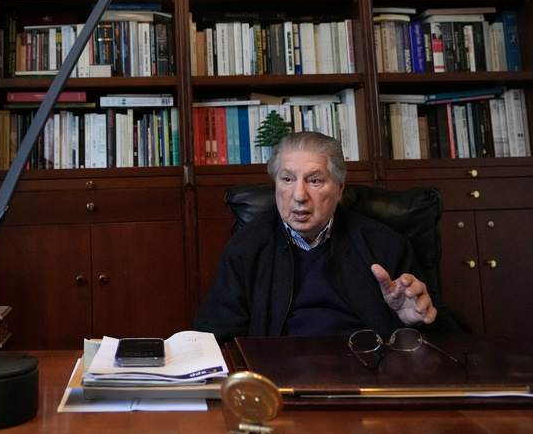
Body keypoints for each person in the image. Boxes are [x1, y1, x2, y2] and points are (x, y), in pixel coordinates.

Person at [194, 131, 459, 343]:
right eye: (287, 179)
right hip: (279, 379)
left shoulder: (385, 245)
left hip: (367, 372)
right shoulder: (246, 248)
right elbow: (215, 339)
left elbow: (452, 338)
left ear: (340, 188)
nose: (299, 195)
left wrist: (414, 322)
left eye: (315, 181)